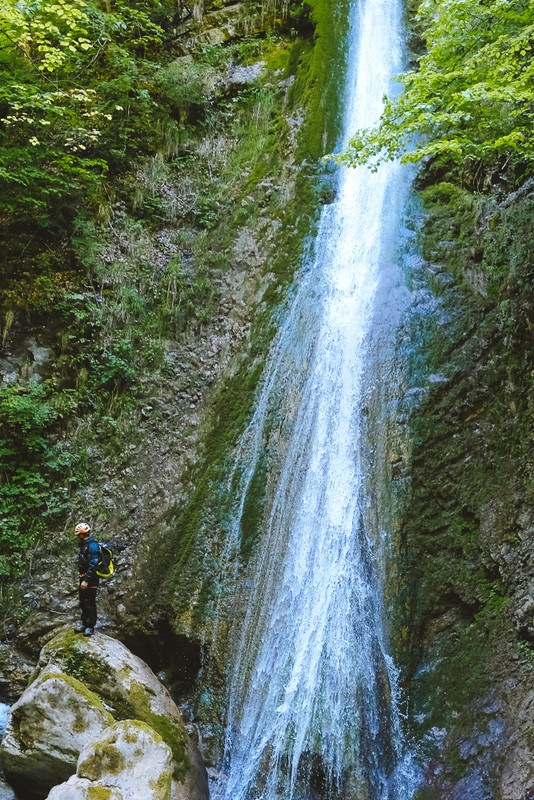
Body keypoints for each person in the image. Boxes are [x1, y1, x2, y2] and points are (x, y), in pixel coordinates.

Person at [74, 522, 100, 636]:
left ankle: (90, 626)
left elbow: (93, 564)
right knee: (83, 602)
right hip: (84, 577)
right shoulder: (84, 544)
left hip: (91, 579)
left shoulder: (92, 545)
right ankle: (84, 623)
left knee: (90, 602)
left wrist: (86, 580)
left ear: (81, 535)